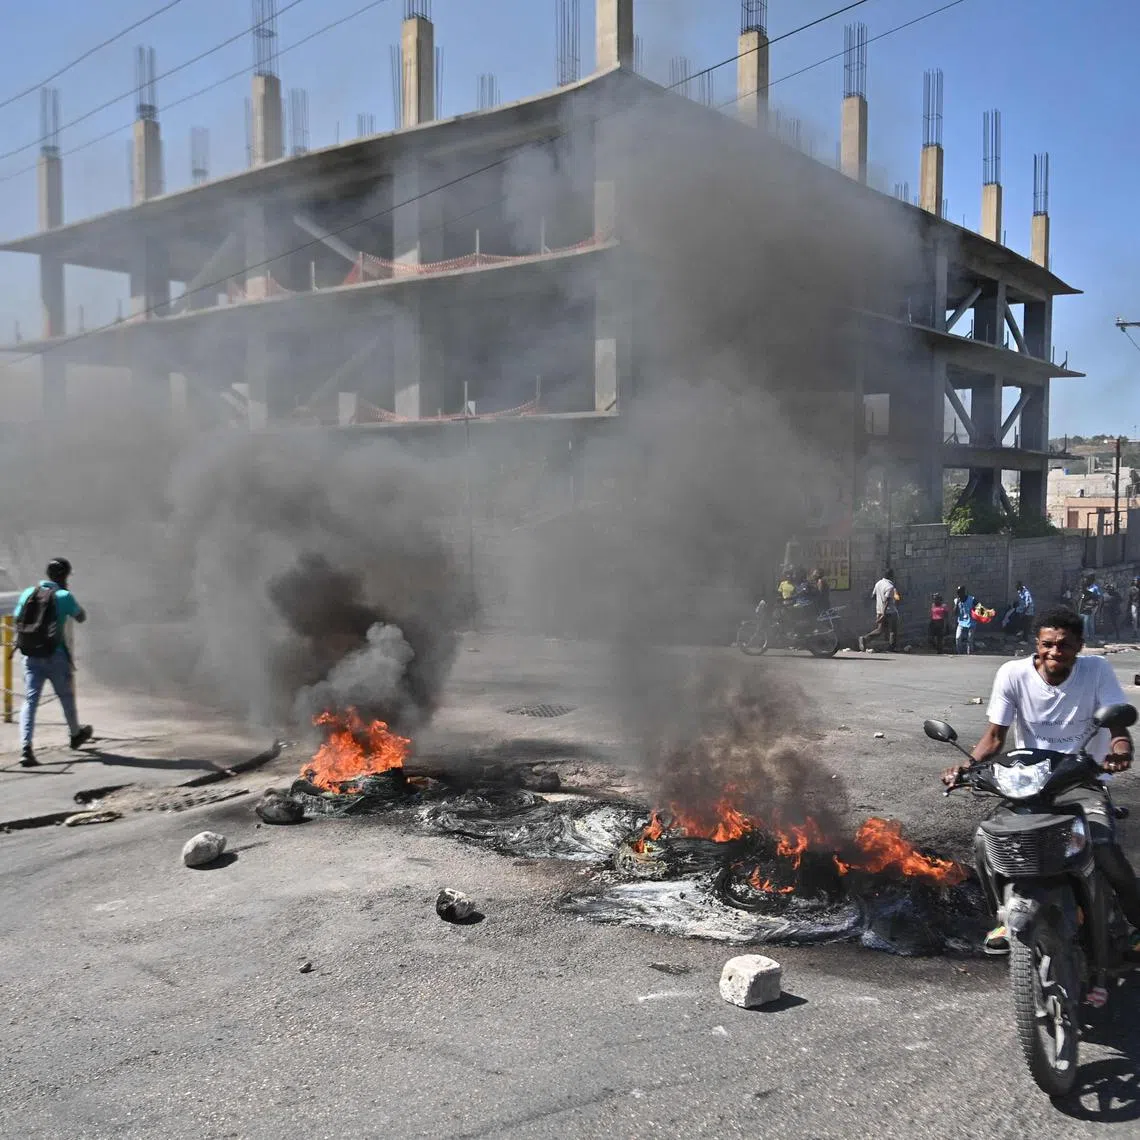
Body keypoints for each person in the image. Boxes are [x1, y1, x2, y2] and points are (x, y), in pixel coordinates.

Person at [941, 607, 1140, 967]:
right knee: (986, 842)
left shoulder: (1096, 671)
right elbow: (995, 737)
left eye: (1064, 646)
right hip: (1029, 779)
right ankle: (1002, 918)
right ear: (1037, 643)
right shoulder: (1012, 674)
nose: (1054, 652)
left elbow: (1118, 728)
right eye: (1047, 644)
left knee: (1104, 846)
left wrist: (1120, 752)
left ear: (1079, 645)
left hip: (1082, 779)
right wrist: (966, 768)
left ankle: (1134, 921)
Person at [12, 558, 93, 766]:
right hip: (55, 656)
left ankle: (26, 748)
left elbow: (16, 618)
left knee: (30, 702)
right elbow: (81, 616)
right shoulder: (64, 596)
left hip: (30, 657)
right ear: (65, 576)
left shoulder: (28, 593)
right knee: (66, 696)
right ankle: (75, 734)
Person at [859, 569, 899, 652]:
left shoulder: (878, 584)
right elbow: (887, 601)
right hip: (889, 612)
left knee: (880, 630)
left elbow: (873, 596)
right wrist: (884, 614)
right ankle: (892, 648)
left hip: (879, 611)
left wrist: (879, 606)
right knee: (893, 630)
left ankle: (865, 639)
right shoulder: (890, 587)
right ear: (891, 576)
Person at [1079, 573, 1102, 641]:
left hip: (1092, 607)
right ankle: (1086, 636)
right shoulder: (1085, 587)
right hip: (1084, 606)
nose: (1085, 580)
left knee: (1089, 621)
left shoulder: (1095, 588)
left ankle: (1090, 637)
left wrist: (1097, 608)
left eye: (1086, 579)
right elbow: (1082, 598)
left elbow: (1099, 598)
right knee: (1084, 621)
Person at [953, 585, 976, 655]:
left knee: (969, 640)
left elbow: (978, 607)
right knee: (958, 638)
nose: (959, 594)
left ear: (964, 592)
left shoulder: (972, 599)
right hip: (961, 623)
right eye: (958, 592)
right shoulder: (956, 600)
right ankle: (959, 653)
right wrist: (957, 604)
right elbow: (954, 613)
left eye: (960, 592)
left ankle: (970, 654)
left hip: (971, 622)